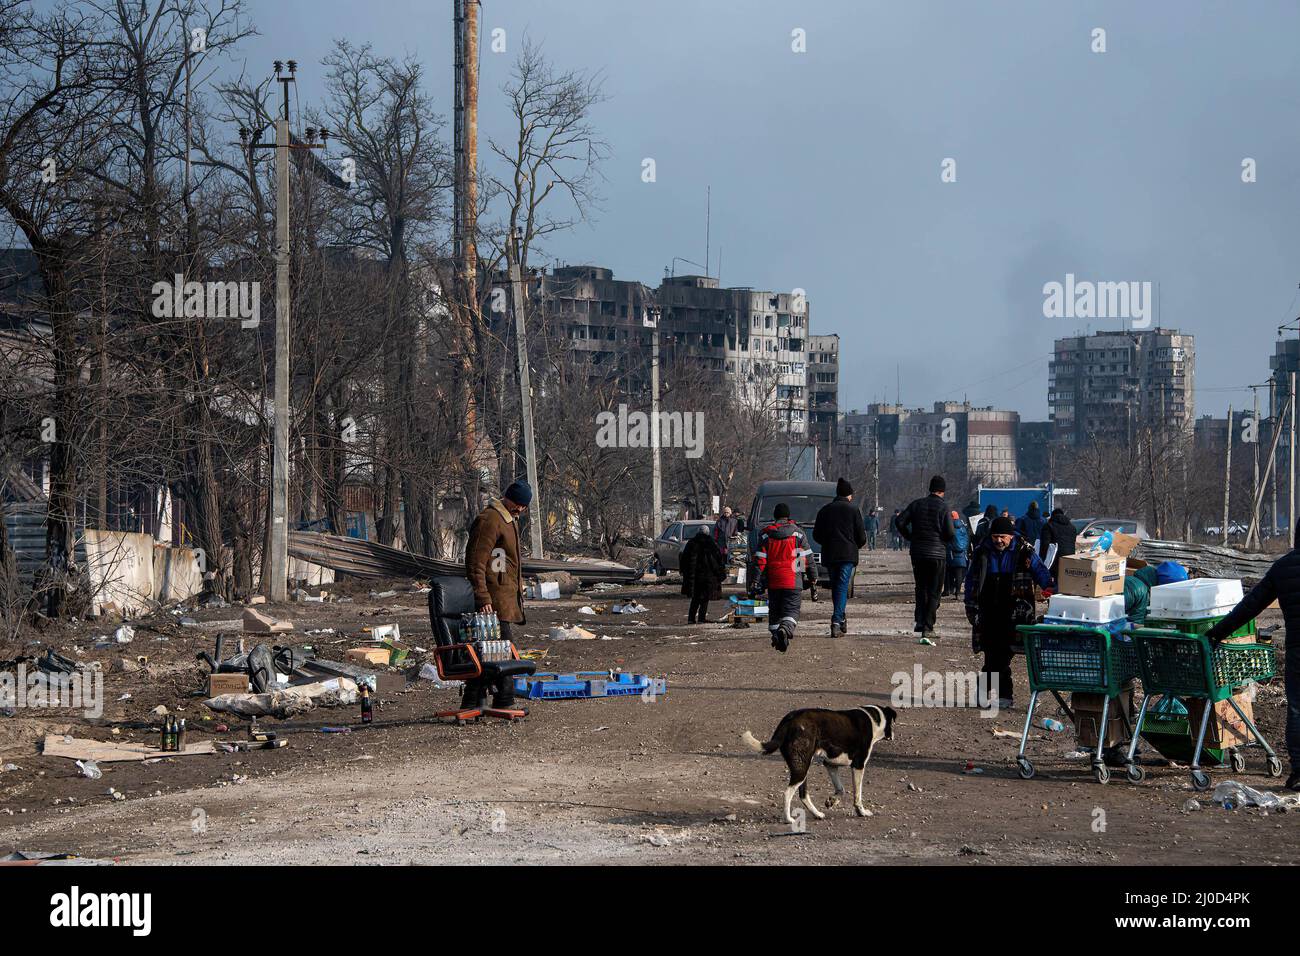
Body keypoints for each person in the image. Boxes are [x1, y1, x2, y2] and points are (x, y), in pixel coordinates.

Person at [1204, 532, 1300, 791]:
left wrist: (1217, 633)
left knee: (1297, 710)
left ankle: (1299, 772)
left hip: (1297, 651)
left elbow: (1251, 605)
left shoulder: (1282, 568)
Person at [964, 516, 1053, 709]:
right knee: (992, 653)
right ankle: (1002, 695)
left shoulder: (1024, 551)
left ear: (1011, 537)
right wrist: (970, 605)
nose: (998, 541)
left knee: (1003, 653)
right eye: (995, 536)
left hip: (1016, 611)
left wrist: (1049, 587)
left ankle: (990, 691)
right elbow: (971, 579)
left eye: (1002, 537)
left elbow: (1040, 570)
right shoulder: (982, 552)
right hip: (988, 610)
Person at [894, 475, 955, 640]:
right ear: (943, 491)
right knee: (935, 591)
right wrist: (943, 540)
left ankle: (920, 621)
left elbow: (899, 521)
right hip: (937, 554)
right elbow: (950, 533)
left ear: (930, 488)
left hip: (918, 553)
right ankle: (928, 626)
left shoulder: (917, 504)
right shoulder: (944, 508)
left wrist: (910, 537)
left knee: (921, 588)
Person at [813, 477, 868, 638]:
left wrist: (828, 543)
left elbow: (817, 534)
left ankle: (841, 618)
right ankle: (836, 621)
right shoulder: (853, 510)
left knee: (837, 586)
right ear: (849, 495)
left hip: (830, 554)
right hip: (847, 555)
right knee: (842, 586)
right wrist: (853, 546)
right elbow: (862, 537)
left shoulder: (825, 510)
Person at [755, 502, 812, 653]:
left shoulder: (765, 535)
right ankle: (785, 630)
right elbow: (806, 558)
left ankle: (776, 635)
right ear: (788, 516)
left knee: (775, 612)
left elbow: (760, 561)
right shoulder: (798, 534)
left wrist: (756, 580)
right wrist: (811, 577)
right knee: (791, 611)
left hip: (774, 582)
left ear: (775, 516)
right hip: (793, 580)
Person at [680, 527, 726, 624]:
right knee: (705, 598)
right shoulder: (711, 543)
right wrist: (720, 573)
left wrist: (684, 572)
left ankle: (691, 619)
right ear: (708, 533)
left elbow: (684, 559)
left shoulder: (691, 543)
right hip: (708, 576)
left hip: (694, 576)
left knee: (695, 598)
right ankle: (701, 618)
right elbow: (717, 560)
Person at [1038, 507, 1077, 582]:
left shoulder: (1048, 526)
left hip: (1055, 559)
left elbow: (1044, 545)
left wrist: (1041, 560)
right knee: (1065, 580)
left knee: (1054, 580)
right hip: (1069, 558)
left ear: (1052, 516)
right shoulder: (1072, 527)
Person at [945, 509, 970, 598]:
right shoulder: (963, 527)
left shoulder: (949, 526)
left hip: (951, 553)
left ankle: (949, 589)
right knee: (959, 573)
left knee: (949, 572)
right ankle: (958, 591)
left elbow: (946, 539)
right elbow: (967, 539)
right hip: (962, 554)